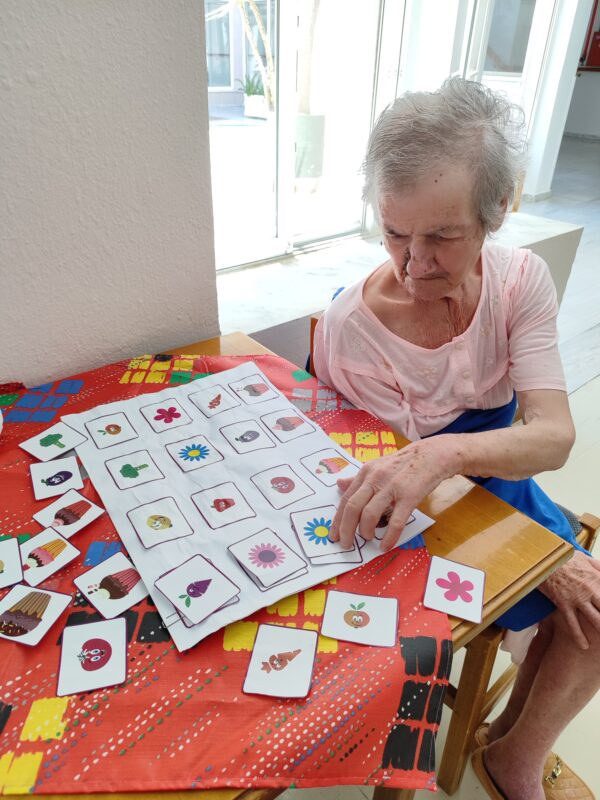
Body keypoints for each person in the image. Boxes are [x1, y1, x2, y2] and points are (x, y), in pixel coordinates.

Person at [313, 78, 600, 800]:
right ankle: (510, 755)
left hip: (477, 475)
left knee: (587, 615)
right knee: (582, 612)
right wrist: (544, 558)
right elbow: (407, 492)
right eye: (394, 233)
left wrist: (444, 450)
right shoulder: (354, 331)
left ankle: (511, 747)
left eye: (442, 237)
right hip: (420, 510)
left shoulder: (519, 281)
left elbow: (554, 436)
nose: (413, 266)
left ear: (497, 210)